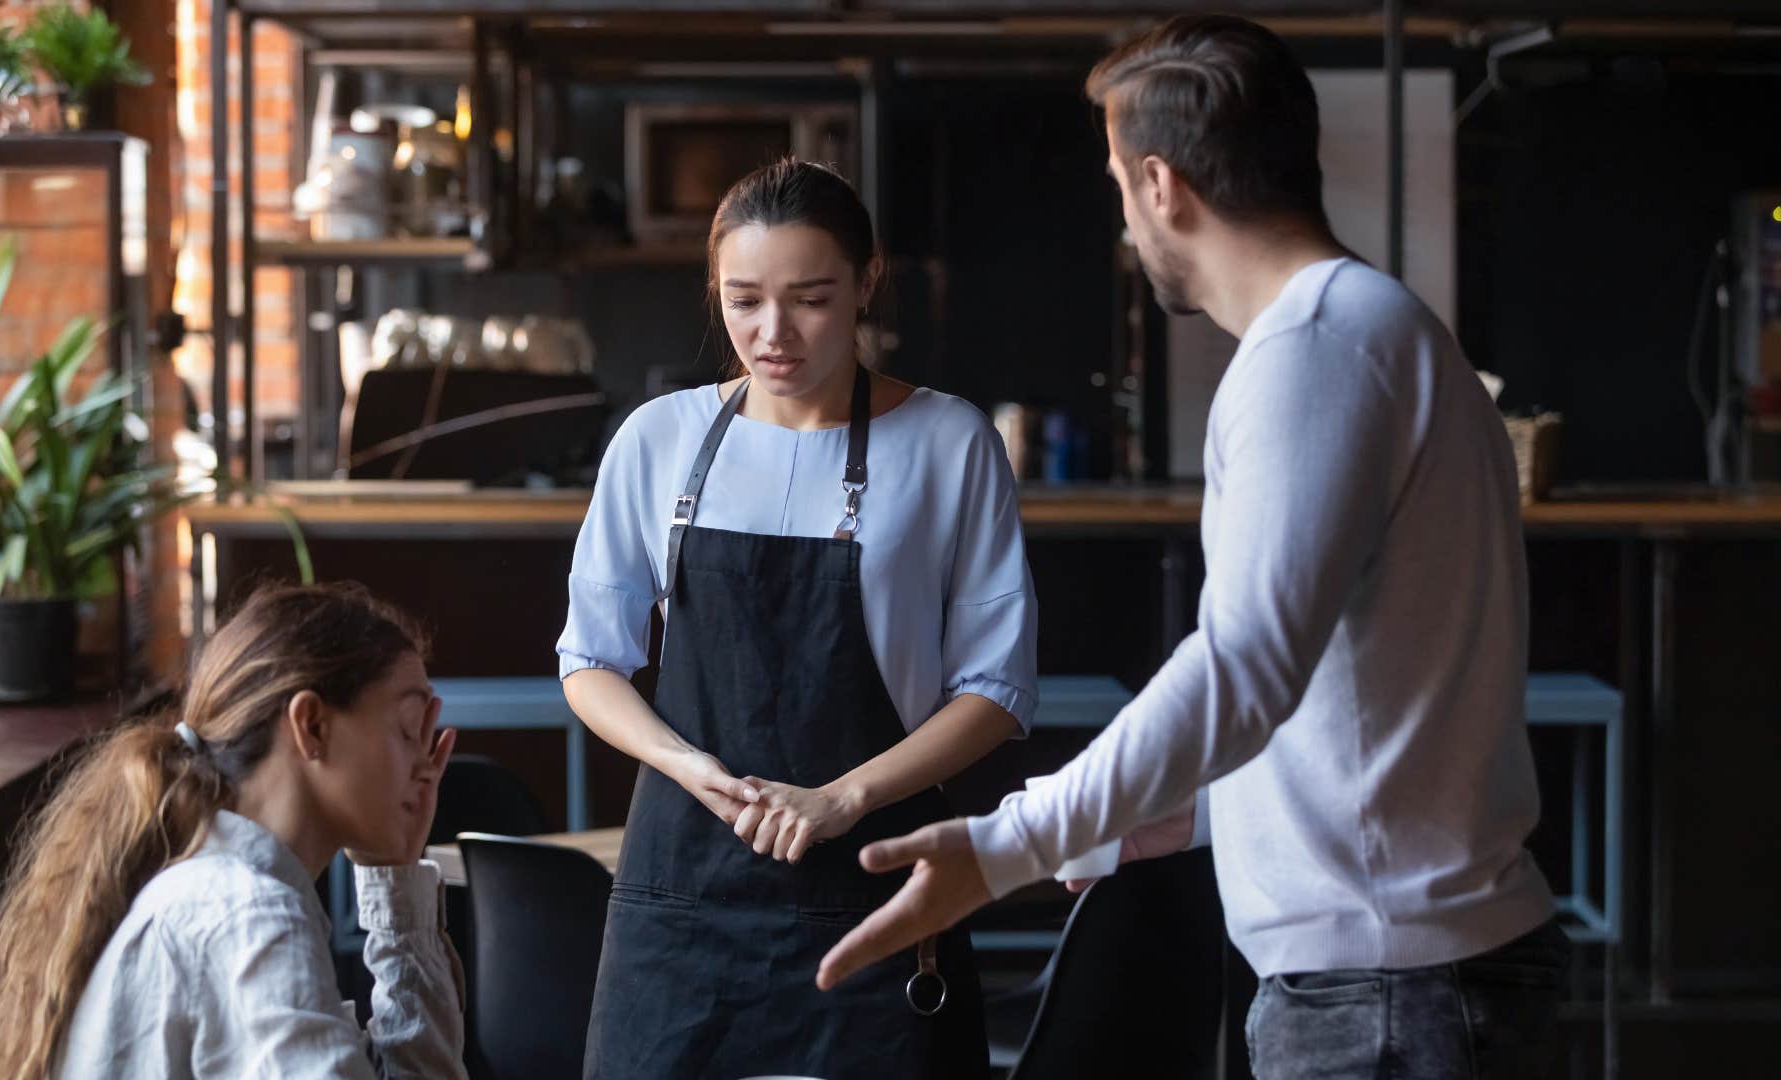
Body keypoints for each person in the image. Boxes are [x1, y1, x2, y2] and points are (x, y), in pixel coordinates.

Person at [818, 15, 1569, 1079]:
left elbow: (1241, 668)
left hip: (1389, 996)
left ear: (1162, 185)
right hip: (1407, 978)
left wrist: (1010, 844)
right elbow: (1343, 707)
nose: (1126, 224)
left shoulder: (1314, 349)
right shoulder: (1370, 328)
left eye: (1120, 186)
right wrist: (1157, 820)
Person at [558, 157, 1036, 1079]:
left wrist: (842, 797)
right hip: (681, 900)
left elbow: (996, 690)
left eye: (811, 300)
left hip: (876, 893)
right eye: (743, 301)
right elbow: (590, 661)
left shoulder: (949, 443)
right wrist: (686, 766)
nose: (772, 334)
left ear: (866, 283)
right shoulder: (657, 439)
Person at [0, 583, 467, 1080]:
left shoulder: (224, 893)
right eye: (408, 729)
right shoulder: (248, 916)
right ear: (312, 725)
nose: (426, 764)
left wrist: (397, 879)